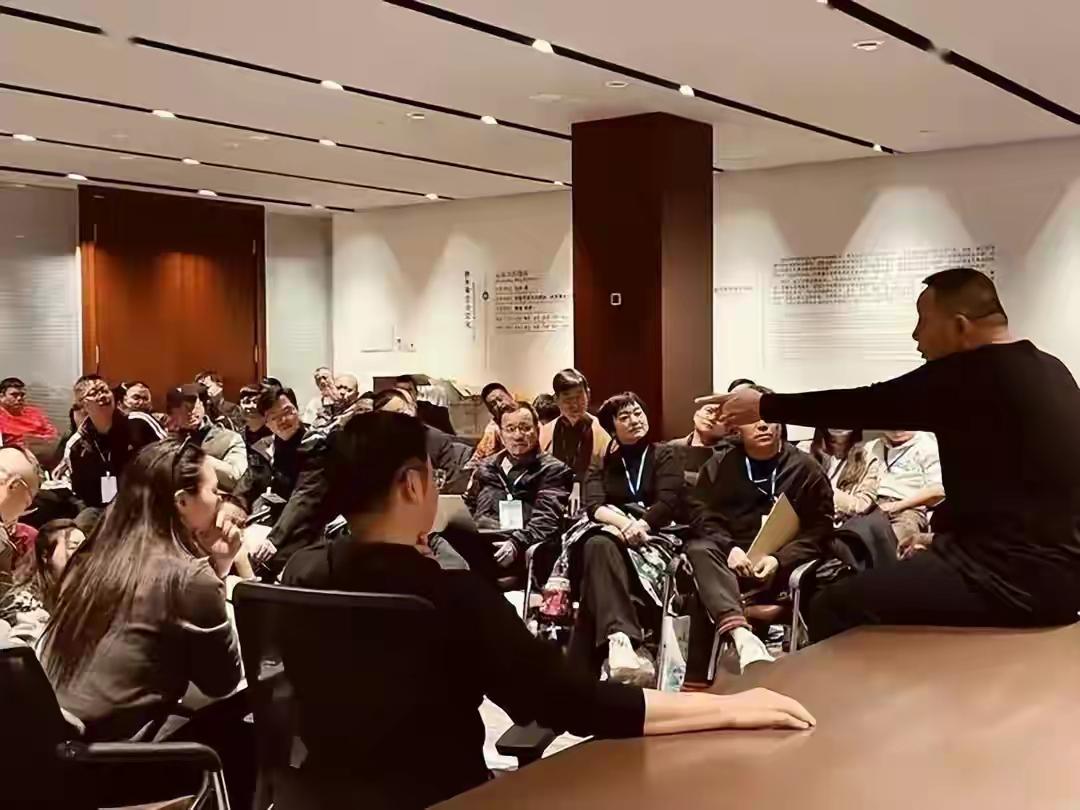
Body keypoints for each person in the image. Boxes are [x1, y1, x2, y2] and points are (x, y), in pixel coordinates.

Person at [279, 411, 815, 810]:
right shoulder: (449, 596)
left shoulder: (300, 576)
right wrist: (727, 708)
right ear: (413, 484)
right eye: (432, 476)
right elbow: (571, 702)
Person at [701, 267, 1080, 641]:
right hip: (1060, 580)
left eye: (923, 321)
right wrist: (941, 538)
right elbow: (1017, 492)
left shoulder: (968, 375)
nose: (915, 335)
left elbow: (865, 403)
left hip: (1006, 582)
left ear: (960, 326)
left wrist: (763, 405)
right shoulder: (1052, 369)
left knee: (832, 605)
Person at [41, 440, 242, 741]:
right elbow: (221, 682)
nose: (220, 501)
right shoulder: (190, 578)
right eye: (214, 492)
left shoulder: (88, 558)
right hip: (117, 753)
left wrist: (218, 564)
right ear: (182, 502)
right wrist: (215, 572)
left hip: (51, 739)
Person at [686, 388, 834, 674]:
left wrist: (780, 559)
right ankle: (742, 635)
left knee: (702, 588)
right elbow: (701, 515)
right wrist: (730, 549)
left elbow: (820, 529)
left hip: (778, 569)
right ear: (737, 427)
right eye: (753, 419)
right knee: (698, 549)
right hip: (728, 563)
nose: (763, 425)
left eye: (769, 418)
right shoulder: (720, 465)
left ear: (781, 424)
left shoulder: (806, 469)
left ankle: (738, 637)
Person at [569, 393, 683, 684]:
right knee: (597, 542)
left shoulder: (665, 454)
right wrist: (625, 525)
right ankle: (622, 639)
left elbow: (668, 502)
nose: (634, 420)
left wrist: (642, 525)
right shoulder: (602, 463)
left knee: (595, 564)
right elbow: (594, 507)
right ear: (612, 428)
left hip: (655, 535)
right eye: (624, 417)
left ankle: (608, 651)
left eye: (638, 413)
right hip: (616, 535)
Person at [223, 385, 330, 576]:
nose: (283, 420)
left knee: (264, 562)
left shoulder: (315, 445)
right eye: (274, 416)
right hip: (274, 519)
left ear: (297, 410)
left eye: (288, 412)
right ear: (266, 422)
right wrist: (232, 509)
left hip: (307, 524)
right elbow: (249, 482)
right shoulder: (266, 447)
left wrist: (274, 539)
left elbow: (304, 496)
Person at [464, 402, 574, 577]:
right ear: (500, 434)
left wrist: (517, 543)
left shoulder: (553, 470)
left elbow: (546, 520)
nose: (517, 436)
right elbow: (468, 506)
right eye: (510, 429)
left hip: (520, 544)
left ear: (537, 430)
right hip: (479, 539)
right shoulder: (486, 467)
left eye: (525, 428)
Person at [68, 374, 166, 511]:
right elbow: (80, 493)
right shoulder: (78, 446)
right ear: (83, 405)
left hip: (146, 505)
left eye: (104, 390)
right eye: (94, 393)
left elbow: (169, 457)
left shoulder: (139, 423)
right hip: (102, 512)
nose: (102, 396)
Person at [1, 518, 85, 644]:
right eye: (73, 547)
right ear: (45, 555)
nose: (82, 556)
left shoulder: (83, 598)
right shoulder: (23, 602)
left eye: (85, 549)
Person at [864, 430, 944, 552]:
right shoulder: (872, 447)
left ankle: (921, 545)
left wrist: (897, 505)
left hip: (909, 507)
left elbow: (938, 491)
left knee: (899, 539)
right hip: (873, 504)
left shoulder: (928, 444)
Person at [374, 388, 471, 488]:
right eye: (395, 415)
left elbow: (448, 482)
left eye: (404, 410)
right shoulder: (375, 444)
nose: (407, 415)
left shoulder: (436, 440)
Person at [166, 384, 248, 491]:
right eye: (180, 407)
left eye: (192, 405)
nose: (189, 411)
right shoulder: (166, 442)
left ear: (202, 404)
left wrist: (198, 459)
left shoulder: (229, 438)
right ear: (172, 413)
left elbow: (235, 477)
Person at [540, 368, 611, 483]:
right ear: (556, 400)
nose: (574, 405)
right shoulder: (545, 433)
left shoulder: (603, 430)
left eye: (579, 397)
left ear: (588, 394)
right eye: (567, 399)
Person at [809, 428, 883, 523]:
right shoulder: (808, 451)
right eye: (833, 442)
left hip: (840, 524)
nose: (839, 448)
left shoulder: (867, 459)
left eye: (844, 443)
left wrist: (828, 493)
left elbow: (863, 505)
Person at [668, 402, 731, 488]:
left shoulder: (731, 454)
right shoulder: (670, 448)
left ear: (728, 430)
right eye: (709, 411)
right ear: (696, 415)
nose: (712, 418)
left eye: (720, 418)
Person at [465, 382, 516, 467]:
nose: (499, 405)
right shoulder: (493, 429)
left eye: (500, 399)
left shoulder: (528, 412)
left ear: (510, 396)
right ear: (490, 411)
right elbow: (478, 460)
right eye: (493, 404)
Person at [0, 376, 58, 449]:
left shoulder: (35, 412)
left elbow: (53, 435)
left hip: (43, 448)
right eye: (14, 395)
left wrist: (34, 440)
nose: (19, 398)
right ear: (1, 397)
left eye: (22, 395)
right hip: (14, 451)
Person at [237, 383, 272, 449]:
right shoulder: (237, 436)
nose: (251, 406)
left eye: (256, 401)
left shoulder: (276, 435)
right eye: (246, 402)